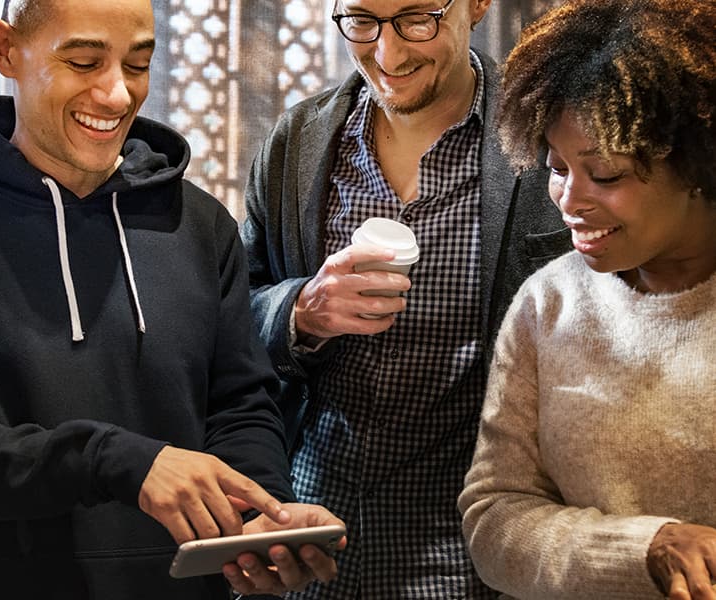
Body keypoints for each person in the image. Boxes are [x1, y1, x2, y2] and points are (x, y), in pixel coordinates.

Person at [0, 0, 346, 598]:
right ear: (6, 50)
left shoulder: (199, 226)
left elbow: (240, 402)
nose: (116, 96)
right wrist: (117, 461)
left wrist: (257, 517)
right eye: (84, 61)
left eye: (137, 65)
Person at [241, 0, 577, 597]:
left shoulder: (548, 143)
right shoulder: (298, 141)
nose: (388, 54)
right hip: (309, 539)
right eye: (362, 20)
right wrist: (301, 310)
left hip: (468, 555)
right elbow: (234, 314)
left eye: (416, 18)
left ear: (476, 6)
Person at [458, 1, 716, 598]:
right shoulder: (548, 305)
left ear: (697, 161)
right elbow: (496, 519)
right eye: (555, 167)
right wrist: (646, 548)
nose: (570, 201)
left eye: (605, 174)